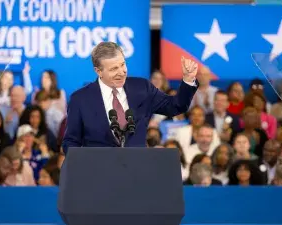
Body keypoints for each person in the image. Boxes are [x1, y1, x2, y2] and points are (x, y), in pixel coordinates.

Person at [62, 42, 198, 153]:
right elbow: (71, 142)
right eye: (114, 69)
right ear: (98, 71)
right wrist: (84, 167)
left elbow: (175, 106)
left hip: (136, 173)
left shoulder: (142, 88)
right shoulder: (80, 99)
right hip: (99, 175)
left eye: (123, 65)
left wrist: (188, 80)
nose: (121, 72)